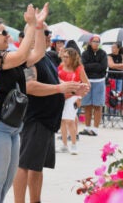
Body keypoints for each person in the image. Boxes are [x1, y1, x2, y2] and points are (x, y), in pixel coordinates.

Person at [0, 3, 48, 203]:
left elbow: (37, 54)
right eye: (2, 32)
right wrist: (29, 25)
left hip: (11, 126)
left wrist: (38, 27)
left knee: (5, 181)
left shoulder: (9, 58)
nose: (7, 35)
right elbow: (22, 54)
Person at [13, 23, 89, 203]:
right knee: (24, 164)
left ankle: (35, 200)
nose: (49, 36)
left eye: (49, 32)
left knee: (36, 166)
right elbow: (29, 86)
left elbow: (56, 81)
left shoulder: (47, 57)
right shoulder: (29, 58)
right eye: (45, 32)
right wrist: (60, 87)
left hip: (47, 120)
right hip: (35, 119)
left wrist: (73, 89)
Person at [56, 47, 90, 155]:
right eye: (64, 56)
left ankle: (74, 144)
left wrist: (80, 98)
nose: (64, 59)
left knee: (70, 120)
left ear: (73, 58)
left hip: (73, 96)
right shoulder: (60, 66)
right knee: (62, 120)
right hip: (61, 96)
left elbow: (87, 85)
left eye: (67, 57)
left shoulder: (79, 68)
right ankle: (64, 145)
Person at [79, 35, 107, 136]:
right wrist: (96, 65)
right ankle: (87, 128)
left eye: (98, 41)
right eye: (94, 41)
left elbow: (103, 67)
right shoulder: (85, 53)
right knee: (87, 105)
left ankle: (95, 129)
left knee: (97, 105)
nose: (96, 43)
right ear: (90, 42)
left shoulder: (103, 54)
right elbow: (83, 66)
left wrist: (91, 66)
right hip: (87, 81)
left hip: (99, 81)